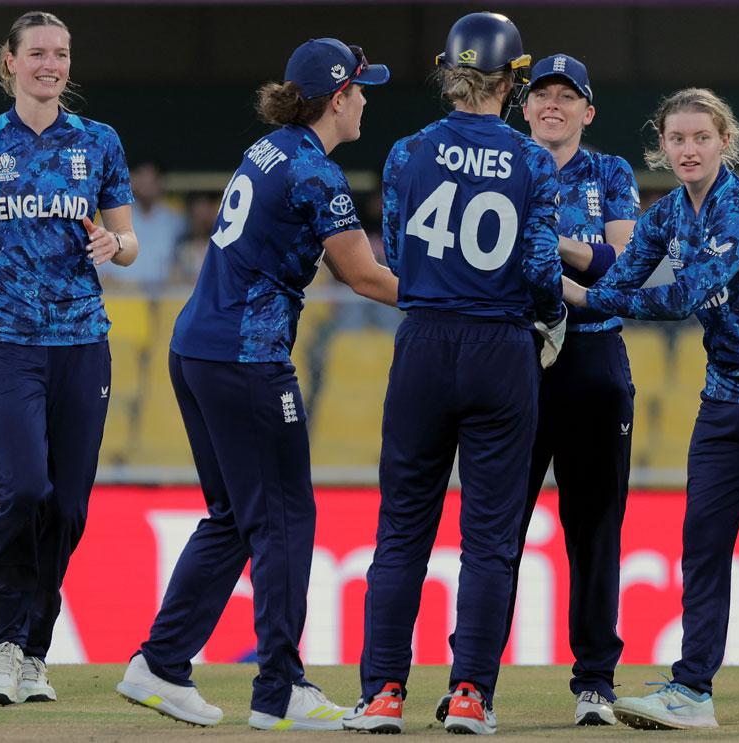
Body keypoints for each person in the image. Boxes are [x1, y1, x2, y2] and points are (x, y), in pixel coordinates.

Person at [115, 38, 397, 730]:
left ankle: (161, 662)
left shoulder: (270, 148)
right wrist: (457, 297)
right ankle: (280, 688)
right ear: (338, 97)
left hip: (198, 349)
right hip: (246, 360)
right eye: (360, 90)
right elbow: (362, 275)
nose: (366, 101)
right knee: (285, 519)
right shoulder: (316, 172)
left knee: (236, 518)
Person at [562, 88, 739, 729]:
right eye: (677, 139)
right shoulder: (664, 215)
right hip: (723, 399)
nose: (688, 149)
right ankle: (692, 691)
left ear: (724, 143)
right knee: (703, 543)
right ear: (662, 147)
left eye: (701, 138)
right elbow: (621, 280)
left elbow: (683, 295)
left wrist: (579, 295)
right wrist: (560, 275)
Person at [344, 12, 565, 736]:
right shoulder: (533, 160)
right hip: (501, 346)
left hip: (425, 342)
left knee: (402, 529)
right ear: (512, 82)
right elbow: (541, 270)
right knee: (491, 537)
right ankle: (470, 693)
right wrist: (546, 318)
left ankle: (382, 694)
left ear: (448, 72)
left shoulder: (407, 152)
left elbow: (397, 253)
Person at [0, 11, 138, 706]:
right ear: (10, 61)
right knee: (24, 491)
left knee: (68, 508)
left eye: (62, 54)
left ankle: (35, 653)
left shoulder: (99, 141)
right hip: (7, 341)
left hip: (83, 343)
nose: (52, 65)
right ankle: (5, 646)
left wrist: (114, 244)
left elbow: (129, 241)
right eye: (38, 53)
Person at [501, 52, 638, 727]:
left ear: (588, 111)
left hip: (592, 355)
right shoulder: (501, 163)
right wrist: (580, 254)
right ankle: (474, 679)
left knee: (594, 528)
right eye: (541, 94)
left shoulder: (609, 172)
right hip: (514, 355)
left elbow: (625, 263)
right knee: (498, 526)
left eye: (566, 96)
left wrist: (544, 243)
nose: (552, 104)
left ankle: (595, 683)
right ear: (523, 107)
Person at [97, 158, 185, 290]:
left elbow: (180, 269)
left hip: (162, 295)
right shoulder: (112, 215)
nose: (146, 185)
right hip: (119, 294)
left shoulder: (175, 221)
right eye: (142, 177)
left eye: (151, 180)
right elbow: (101, 267)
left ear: (161, 182)